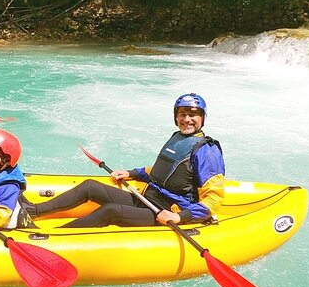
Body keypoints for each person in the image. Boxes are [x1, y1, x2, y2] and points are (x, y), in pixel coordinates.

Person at [27, 93, 225, 228]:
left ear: (202, 119)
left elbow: (214, 200)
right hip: (147, 199)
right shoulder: (178, 137)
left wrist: (179, 217)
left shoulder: (207, 151)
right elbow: (161, 170)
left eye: (193, 115)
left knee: (110, 211)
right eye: (182, 114)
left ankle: (55, 237)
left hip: (165, 212)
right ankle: (32, 211)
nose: (187, 119)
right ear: (176, 117)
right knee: (90, 186)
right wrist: (132, 173)